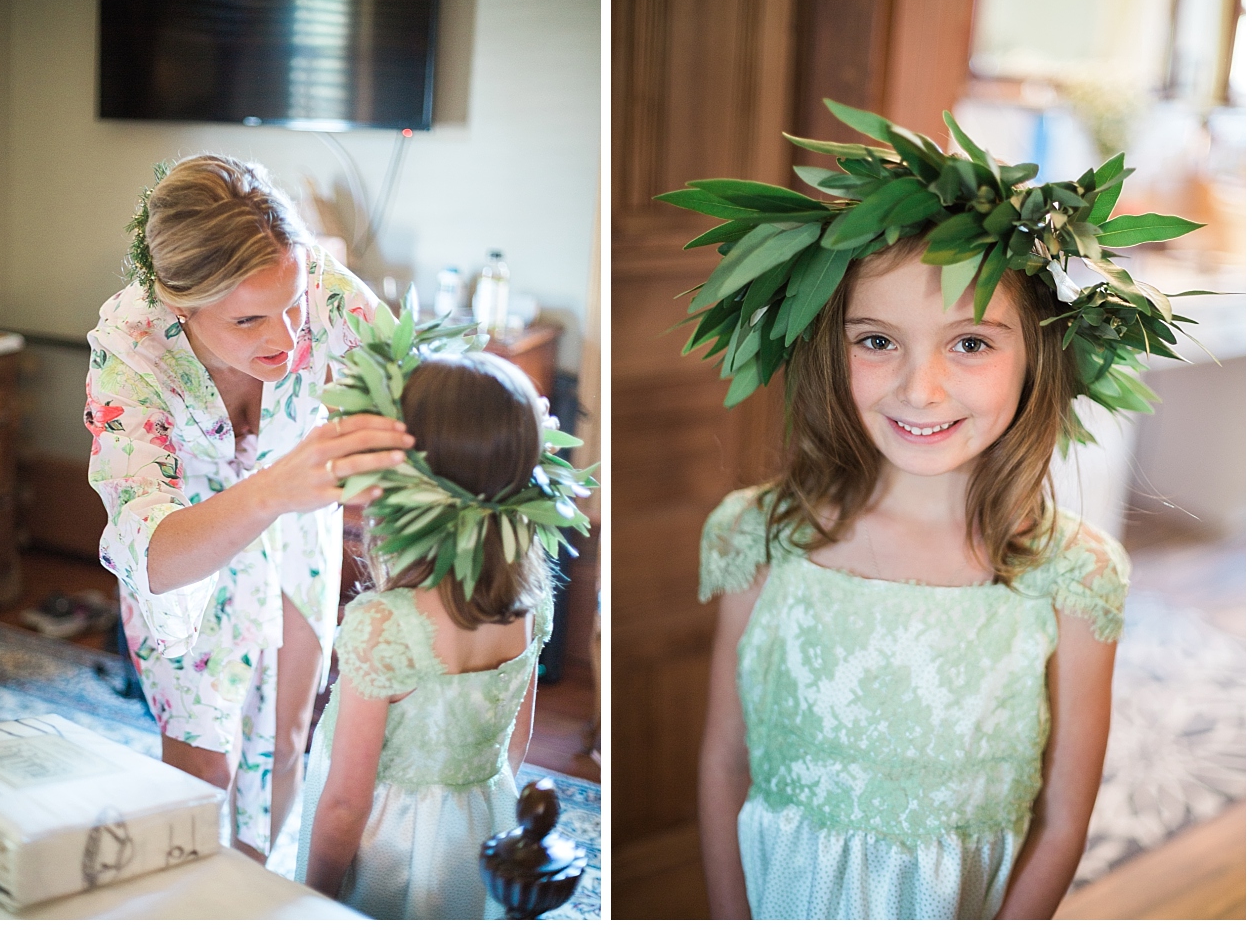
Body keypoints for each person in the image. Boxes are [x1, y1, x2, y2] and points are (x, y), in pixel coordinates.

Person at [663, 101, 1207, 918]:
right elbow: (723, 762)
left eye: (971, 342)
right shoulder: (759, 535)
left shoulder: (1074, 578)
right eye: (877, 340)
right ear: (827, 344)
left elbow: (1063, 821)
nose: (921, 388)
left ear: (1038, 356)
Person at [86, 154, 410, 862]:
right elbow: (154, 556)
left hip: (298, 537)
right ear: (178, 304)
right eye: (251, 319)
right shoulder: (129, 351)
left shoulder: (313, 281)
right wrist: (272, 489)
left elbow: (412, 377)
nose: (288, 338)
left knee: (290, 737)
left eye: (294, 302)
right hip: (192, 546)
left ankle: (254, 880)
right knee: (205, 765)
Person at [297, 347, 592, 919]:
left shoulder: (385, 625)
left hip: (387, 850)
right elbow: (514, 742)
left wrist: (310, 901)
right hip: (478, 829)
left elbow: (343, 804)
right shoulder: (530, 603)